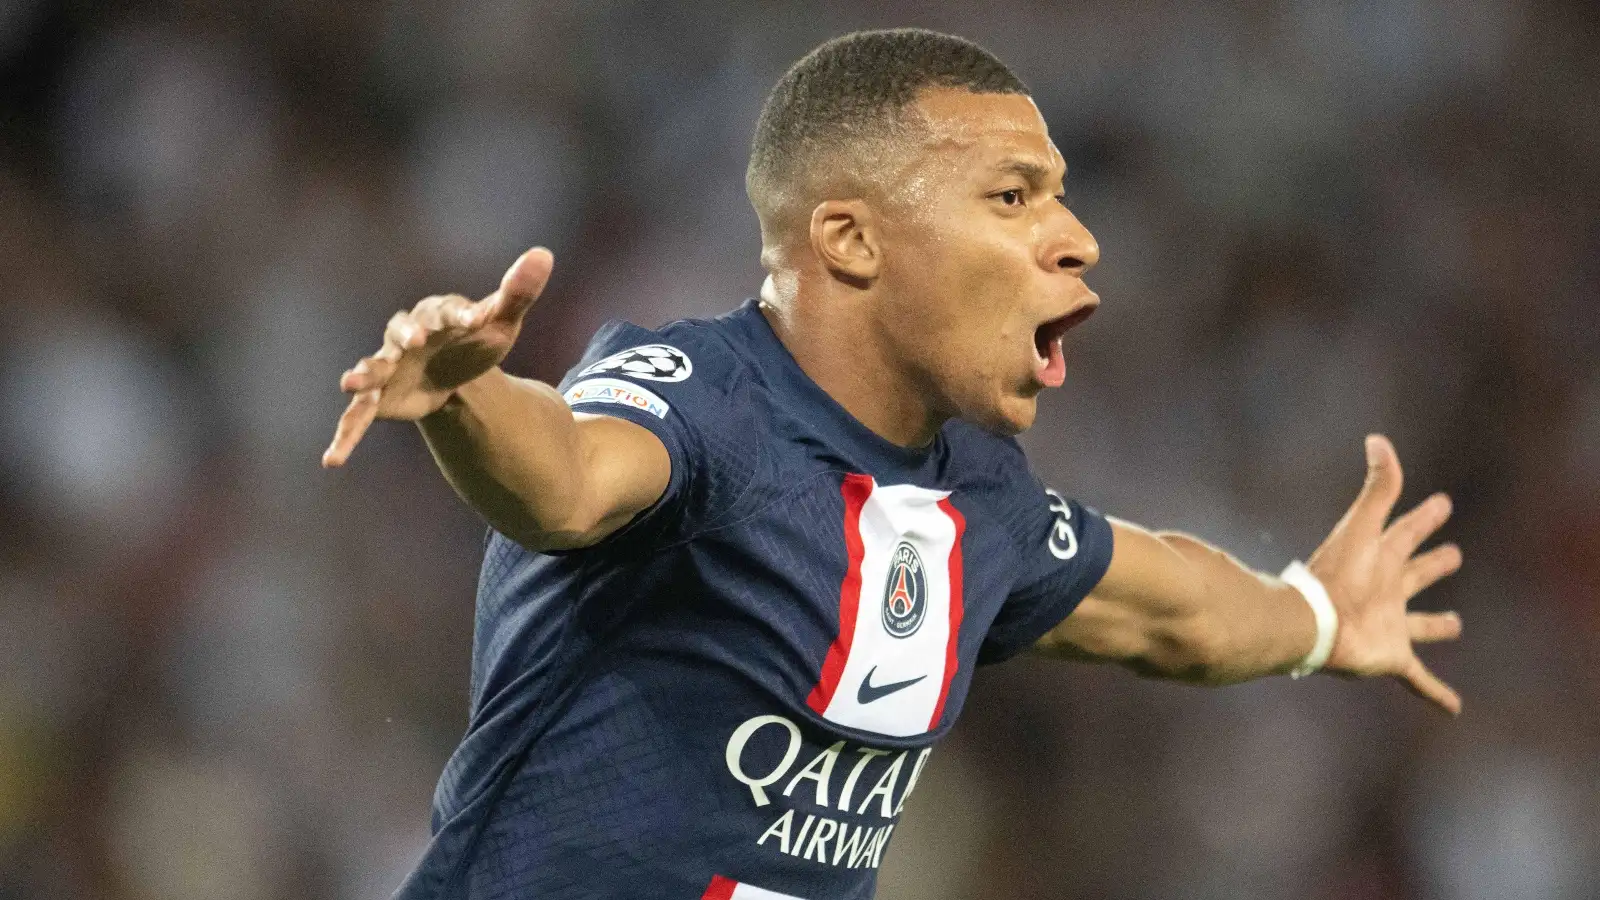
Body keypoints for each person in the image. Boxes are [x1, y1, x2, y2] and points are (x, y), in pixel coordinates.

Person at [322, 28, 1463, 900]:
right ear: (851, 240)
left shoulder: (979, 497)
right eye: (1012, 196)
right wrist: (463, 399)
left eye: (1059, 197)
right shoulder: (706, 404)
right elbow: (563, 479)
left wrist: (1314, 614)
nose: (1075, 238)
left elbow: (1174, 612)